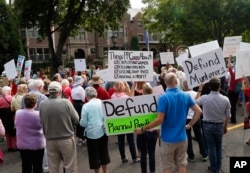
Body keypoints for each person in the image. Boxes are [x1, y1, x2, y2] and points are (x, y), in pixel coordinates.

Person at [135, 72, 202, 173]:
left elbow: (159, 119)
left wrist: (143, 129)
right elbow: (199, 111)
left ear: (165, 83)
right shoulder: (185, 96)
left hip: (168, 139)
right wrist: (189, 125)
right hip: (182, 138)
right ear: (176, 81)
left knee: (167, 167)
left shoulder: (164, 98)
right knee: (181, 165)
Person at [39, 81, 79, 173]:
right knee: (70, 165)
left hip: (50, 138)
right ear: (60, 91)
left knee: (53, 166)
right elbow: (76, 119)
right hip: (66, 137)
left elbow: (41, 120)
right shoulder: (66, 102)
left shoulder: (42, 104)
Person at [195, 78, 231, 173]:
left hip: (207, 125)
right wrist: (225, 127)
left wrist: (200, 89)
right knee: (218, 147)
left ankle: (214, 168)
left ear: (210, 87)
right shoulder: (225, 99)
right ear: (219, 87)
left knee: (211, 147)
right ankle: (218, 167)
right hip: (219, 125)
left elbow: (194, 102)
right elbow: (228, 116)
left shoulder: (204, 98)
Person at [80, 87, 110, 173]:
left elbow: (83, 123)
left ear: (86, 96)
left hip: (91, 133)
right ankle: (105, 171)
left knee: (94, 155)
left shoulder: (85, 106)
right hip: (103, 130)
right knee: (104, 152)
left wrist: (80, 122)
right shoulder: (102, 103)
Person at [15, 94, 45, 173]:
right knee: (37, 165)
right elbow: (43, 127)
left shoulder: (18, 113)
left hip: (23, 144)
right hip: (37, 144)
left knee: (25, 165)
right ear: (36, 103)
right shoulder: (38, 115)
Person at [111, 81, 140, 164]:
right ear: (123, 87)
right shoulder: (126, 97)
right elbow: (132, 101)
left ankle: (123, 157)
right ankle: (134, 158)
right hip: (127, 120)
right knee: (130, 139)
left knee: (120, 140)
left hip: (118, 121)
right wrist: (133, 86)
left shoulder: (113, 96)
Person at [182, 80, 208, 162]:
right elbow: (199, 104)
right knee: (199, 135)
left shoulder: (182, 95)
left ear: (183, 86)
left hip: (186, 118)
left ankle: (191, 156)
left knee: (188, 137)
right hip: (196, 117)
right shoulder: (195, 93)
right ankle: (204, 154)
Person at [136, 83, 159, 173]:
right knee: (152, 153)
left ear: (143, 92)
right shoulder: (156, 101)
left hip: (141, 131)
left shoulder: (138, 101)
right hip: (152, 131)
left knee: (143, 154)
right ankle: (152, 171)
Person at [0, 86, 17, 151]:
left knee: (7, 131)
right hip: (11, 116)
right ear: (8, 91)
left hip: (3, 117)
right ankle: (14, 146)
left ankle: (9, 146)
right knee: (13, 131)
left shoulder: (0, 99)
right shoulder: (11, 98)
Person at [71, 75, 86, 145]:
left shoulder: (73, 88)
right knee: (81, 119)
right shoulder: (80, 88)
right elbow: (83, 98)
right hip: (80, 105)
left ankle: (79, 137)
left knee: (77, 120)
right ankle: (83, 137)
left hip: (74, 104)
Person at [227, 55, 242, 123]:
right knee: (234, 105)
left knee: (231, 105)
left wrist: (229, 59)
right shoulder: (240, 77)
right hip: (237, 92)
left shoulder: (233, 76)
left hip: (231, 91)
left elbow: (229, 67)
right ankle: (233, 118)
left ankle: (233, 119)